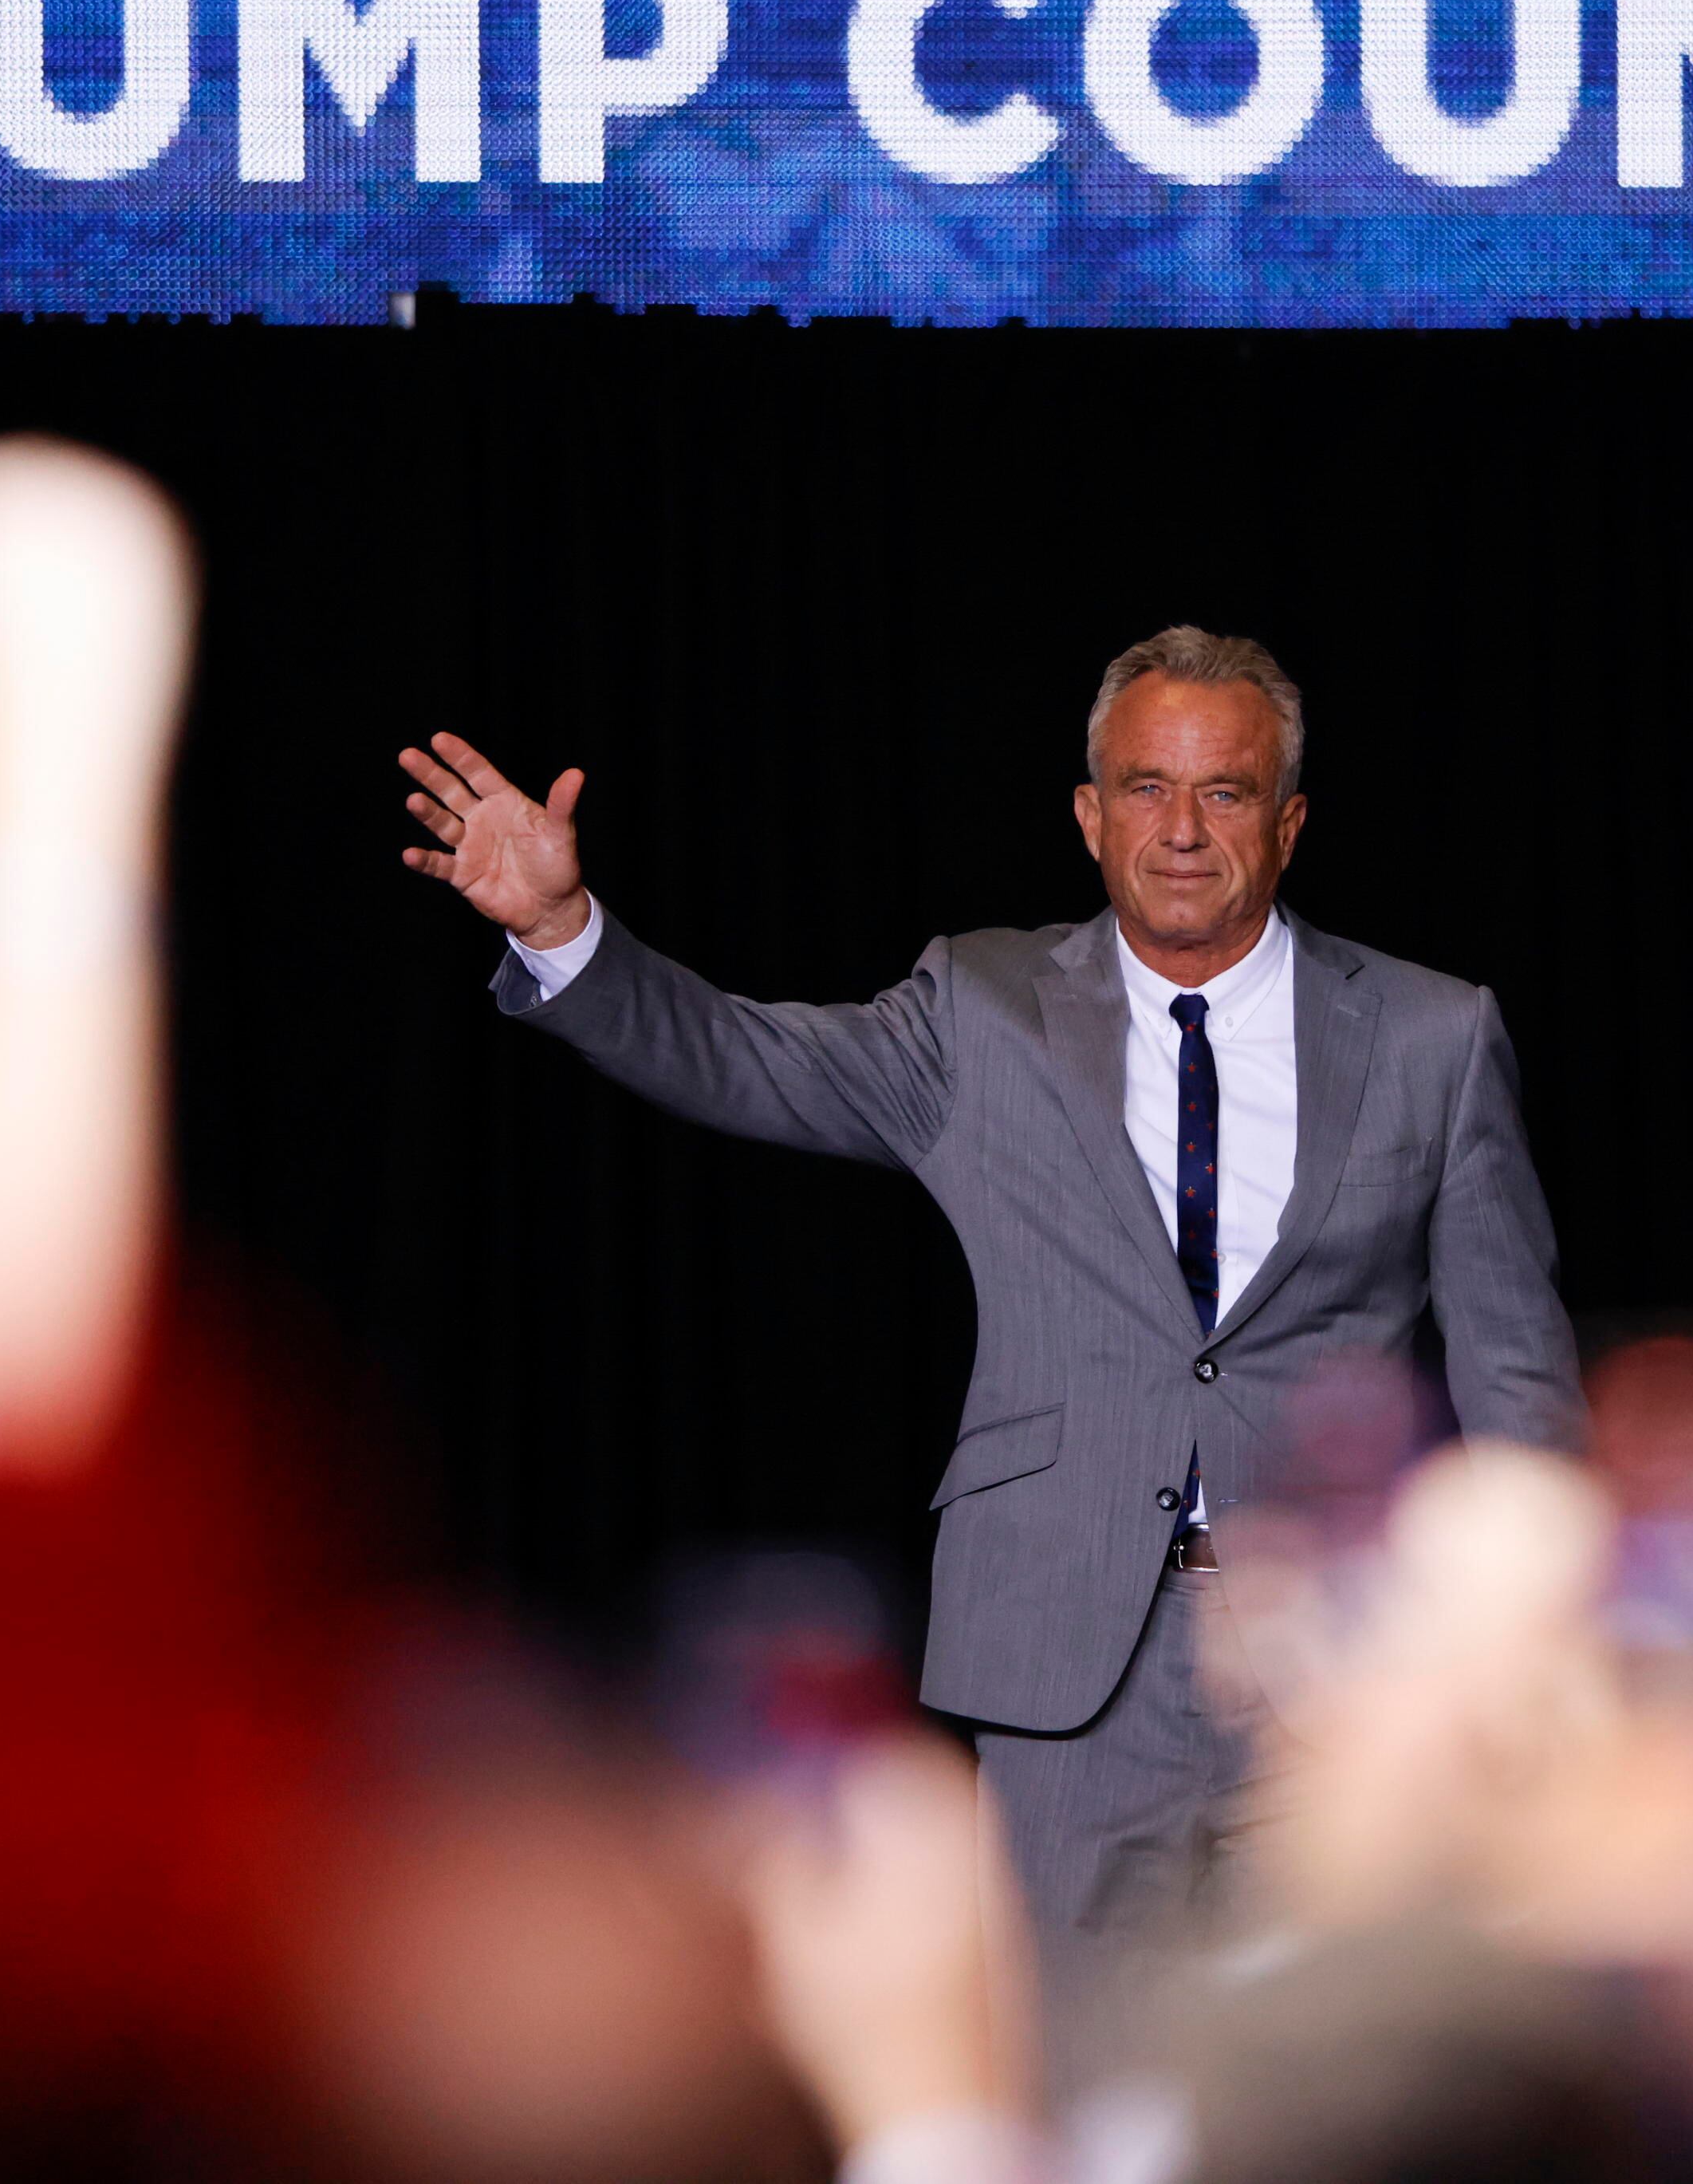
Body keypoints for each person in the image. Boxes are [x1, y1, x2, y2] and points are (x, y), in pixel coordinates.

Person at [400, 625, 1586, 2058]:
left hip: (1346, 1662)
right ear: (1090, 815)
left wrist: (1543, 1641)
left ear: (1290, 821)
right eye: (1147, 787)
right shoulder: (984, 1007)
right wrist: (561, 929)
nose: (1184, 829)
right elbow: (741, 1055)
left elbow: (1515, 1368)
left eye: (1226, 792)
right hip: (1065, 1661)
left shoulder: (1432, 1034)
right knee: (1072, 2076)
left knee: (1351, 2085)